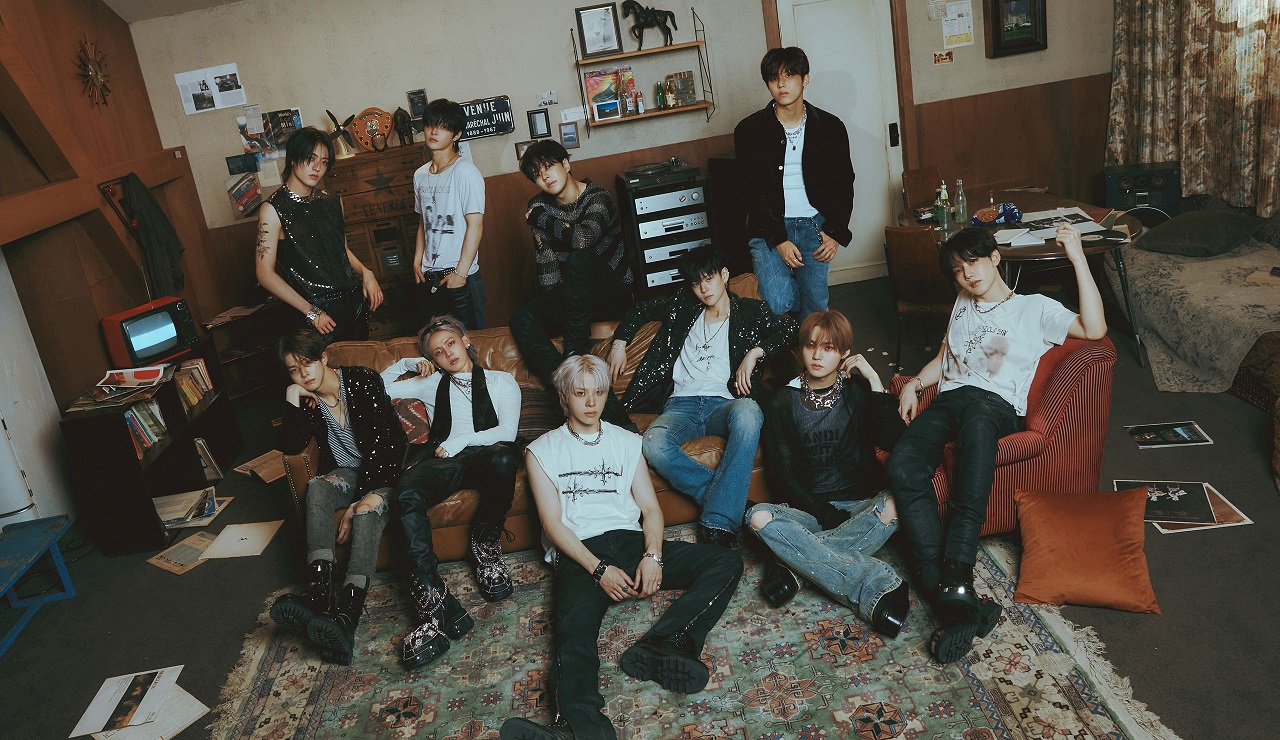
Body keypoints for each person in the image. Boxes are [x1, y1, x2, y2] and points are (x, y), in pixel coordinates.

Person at [887, 225, 1107, 663]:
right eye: (957, 269)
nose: (967, 274)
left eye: (973, 261)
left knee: (975, 437)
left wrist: (1078, 258)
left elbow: (1095, 328)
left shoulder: (1034, 307)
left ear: (994, 258)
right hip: (949, 400)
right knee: (902, 464)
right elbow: (944, 360)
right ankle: (952, 596)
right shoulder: (961, 302)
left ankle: (957, 569)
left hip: (993, 406)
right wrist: (914, 383)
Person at [499, 355, 743, 740]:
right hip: (580, 551)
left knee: (726, 562)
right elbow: (552, 525)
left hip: (629, 541)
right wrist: (598, 569)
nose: (591, 402)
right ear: (564, 396)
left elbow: (651, 509)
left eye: (598, 392)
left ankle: (667, 641)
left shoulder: (627, 441)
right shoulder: (541, 451)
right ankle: (579, 726)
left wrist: (652, 556)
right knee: (575, 631)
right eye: (580, 393)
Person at [608, 244, 796, 548]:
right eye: (696, 283)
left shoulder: (751, 312)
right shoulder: (682, 307)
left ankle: (720, 516)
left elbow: (791, 328)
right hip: (680, 406)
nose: (704, 289)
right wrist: (619, 343)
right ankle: (731, 507)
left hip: (725, 404)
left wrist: (756, 353)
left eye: (709, 279)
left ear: (725, 275)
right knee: (652, 443)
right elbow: (640, 309)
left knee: (749, 413)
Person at [744, 310, 911, 637]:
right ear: (801, 349)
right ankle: (874, 584)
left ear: (845, 353)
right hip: (809, 512)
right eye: (810, 346)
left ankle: (794, 567)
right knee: (758, 516)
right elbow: (783, 475)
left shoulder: (858, 392)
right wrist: (823, 513)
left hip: (859, 504)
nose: (818, 356)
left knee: (896, 503)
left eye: (829, 348)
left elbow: (896, 441)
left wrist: (875, 381)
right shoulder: (782, 401)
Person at [379, 316, 521, 669]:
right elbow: (378, 388)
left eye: (451, 344)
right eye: (438, 352)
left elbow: (508, 431)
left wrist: (462, 440)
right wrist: (409, 363)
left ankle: (485, 548)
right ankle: (433, 599)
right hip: (442, 459)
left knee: (505, 457)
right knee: (405, 494)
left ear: (465, 341)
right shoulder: (430, 383)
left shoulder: (501, 381)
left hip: (484, 454)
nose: (447, 354)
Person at [268, 328, 406, 665]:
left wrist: (357, 503)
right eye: (293, 370)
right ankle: (319, 594)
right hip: (349, 472)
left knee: (366, 513)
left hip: (388, 471)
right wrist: (292, 398)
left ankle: (348, 614)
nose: (303, 375)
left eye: (307, 363)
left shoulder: (362, 381)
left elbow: (384, 450)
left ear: (324, 357)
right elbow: (290, 446)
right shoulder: (308, 400)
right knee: (318, 487)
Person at [509, 140, 633, 427]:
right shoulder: (539, 207)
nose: (545, 177)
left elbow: (582, 240)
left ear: (566, 164)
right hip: (576, 300)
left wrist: (542, 219)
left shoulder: (598, 197)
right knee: (521, 318)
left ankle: (574, 352)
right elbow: (548, 265)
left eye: (549, 167)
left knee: (580, 258)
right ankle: (567, 380)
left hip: (612, 292)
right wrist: (555, 305)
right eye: (537, 174)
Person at [733, 46, 855, 319]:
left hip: (814, 225)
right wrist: (779, 239)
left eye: (789, 75)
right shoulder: (750, 131)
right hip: (768, 227)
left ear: (805, 79)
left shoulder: (830, 127)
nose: (781, 84)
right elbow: (751, 191)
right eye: (774, 78)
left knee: (816, 311)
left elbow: (844, 183)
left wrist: (835, 231)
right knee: (777, 302)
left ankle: (809, 344)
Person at [256, 127, 383, 343]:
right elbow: (264, 274)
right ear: (293, 158)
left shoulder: (332, 202)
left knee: (361, 361)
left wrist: (366, 272)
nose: (317, 168)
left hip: (353, 304)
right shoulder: (273, 209)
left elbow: (341, 250)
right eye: (310, 159)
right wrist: (310, 311)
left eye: (324, 162)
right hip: (314, 312)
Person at [412, 99, 486, 330]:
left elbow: (476, 225)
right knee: (433, 342)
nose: (434, 131)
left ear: (457, 134)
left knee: (470, 343)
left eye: (443, 127)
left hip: (459, 276)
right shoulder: (420, 175)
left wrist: (461, 274)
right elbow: (424, 221)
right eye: (430, 125)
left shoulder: (465, 172)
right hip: (428, 277)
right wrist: (417, 261)